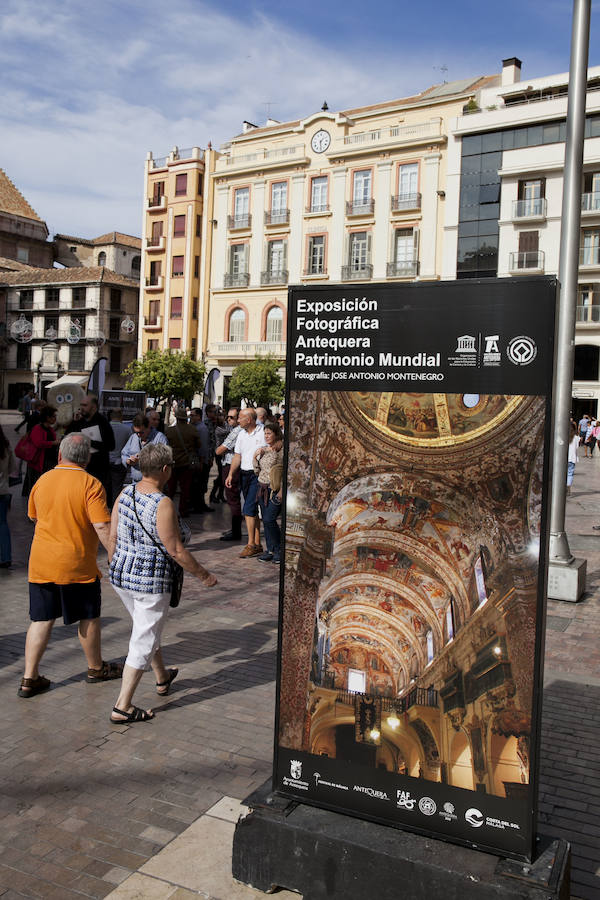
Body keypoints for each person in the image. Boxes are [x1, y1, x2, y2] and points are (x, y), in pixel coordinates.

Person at [108, 443, 217, 723]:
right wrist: (204, 575)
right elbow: (176, 550)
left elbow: (112, 535)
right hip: (150, 581)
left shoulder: (125, 492)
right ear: (166, 469)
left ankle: (162, 676)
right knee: (143, 638)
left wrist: (114, 563)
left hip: (121, 576)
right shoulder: (162, 503)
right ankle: (123, 706)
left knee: (146, 626)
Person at [19, 433, 123, 699]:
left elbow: (34, 517)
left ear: (59, 455)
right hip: (77, 565)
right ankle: (95, 668)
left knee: (41, 619)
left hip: (42, 562)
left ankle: (30, 677)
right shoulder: (91, 484)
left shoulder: (42, 480)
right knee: (88, 616)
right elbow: (101, 525)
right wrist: (115, 557)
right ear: (87, 458)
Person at [226, 408, 267, 558]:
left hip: (258, 474)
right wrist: (231, 474)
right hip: (244, 474)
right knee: (252, 510)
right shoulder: (241, 434)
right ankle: (257, 543)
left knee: (248, 508)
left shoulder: (263, 432)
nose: (238, 420)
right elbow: (237, 456)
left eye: (240, 418)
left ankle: (250, 544)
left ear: (249, 420)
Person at [66, 394, 115, 504]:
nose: (81, 408)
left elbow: (111, 445)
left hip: (98, 470)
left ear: (93, 407)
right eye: (81, 405)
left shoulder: (102, 422)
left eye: (85, 405)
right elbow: (67, 438)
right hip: (80, 468)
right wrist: (74, 422)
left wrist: (89, 441)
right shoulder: (79, 421)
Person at [253, 422, 284, 563]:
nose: (266, 436)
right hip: (262, 488)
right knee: (265, 521)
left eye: (269, 433)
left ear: (276, 434)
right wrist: (255, 457)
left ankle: (279, 549)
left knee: (269, 519)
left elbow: (285, 472)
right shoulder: (264, 450)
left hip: (274, 490)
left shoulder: (281, 450)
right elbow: (257, 471)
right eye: (265, 433)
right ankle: (270, 549)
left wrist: (281, 491)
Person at [165, 411, 200, 517]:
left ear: (177, 418)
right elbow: (198, 445)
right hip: (187, 463)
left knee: (171, 489)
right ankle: (183, 510)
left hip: (173, 463)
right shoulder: (193, 430)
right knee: (185, 489)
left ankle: (167, 510)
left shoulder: (169, 431)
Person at [216, 408, 243, 541]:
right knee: (233, 498)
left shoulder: (237, 431)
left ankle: (236, 532)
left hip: (231, 466)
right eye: (228, 417)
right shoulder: (235, 430)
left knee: (233, 499)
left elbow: (220, 450)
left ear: (239, 418)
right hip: (232, 465)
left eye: (231, 417)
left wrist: (218, 449)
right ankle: (235, 529)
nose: (228, 419)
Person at [121, 413, 168, 483]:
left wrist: (143, 460)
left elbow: (165, 460)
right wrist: (128, 461)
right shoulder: (133, 437)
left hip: (153, 482)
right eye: (136, 432)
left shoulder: (160, 438)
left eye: (141, 432)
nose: (138, 435)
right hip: (135, 482)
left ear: (148, 427)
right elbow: (124, 454)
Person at [26, 405, 60, 492]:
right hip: (39, 462)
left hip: (49, 460)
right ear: (47, 417)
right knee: (38, 484)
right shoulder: (37, 428)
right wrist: (53, 443)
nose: (55, 418)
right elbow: (38, 443)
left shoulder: (50, 429)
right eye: (54, 416)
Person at [189, 408, 213, 513]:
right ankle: (198, 504)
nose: (191, 417)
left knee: (200, 484)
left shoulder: (201, 429)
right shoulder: (194, 427)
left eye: (193, 415)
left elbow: (203, 447)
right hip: (197, 461)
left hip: (201, 461)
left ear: (198, 416)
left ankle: (199, 506)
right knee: (197, 484)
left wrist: (202, 462)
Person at [109, 409, 132, 503]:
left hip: (105, 462)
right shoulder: (127, 429)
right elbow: (130, 446)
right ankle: (115, 507)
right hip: (119, 462)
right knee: (117, 488)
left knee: (105, 487)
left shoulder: (105, 427)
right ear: (121, 417)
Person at [0, 425, 15, 568]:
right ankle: (6, 557)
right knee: (3, 524)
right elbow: (12, 468)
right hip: (3, 490)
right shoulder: (5, 446)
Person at [567, 421, 580, 495]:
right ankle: (568, 486)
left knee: (563, 473)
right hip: (572, 458)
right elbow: (577, 447)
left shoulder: (564, 436)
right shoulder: (577, 438)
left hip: (564, 458)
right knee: (570, 474)